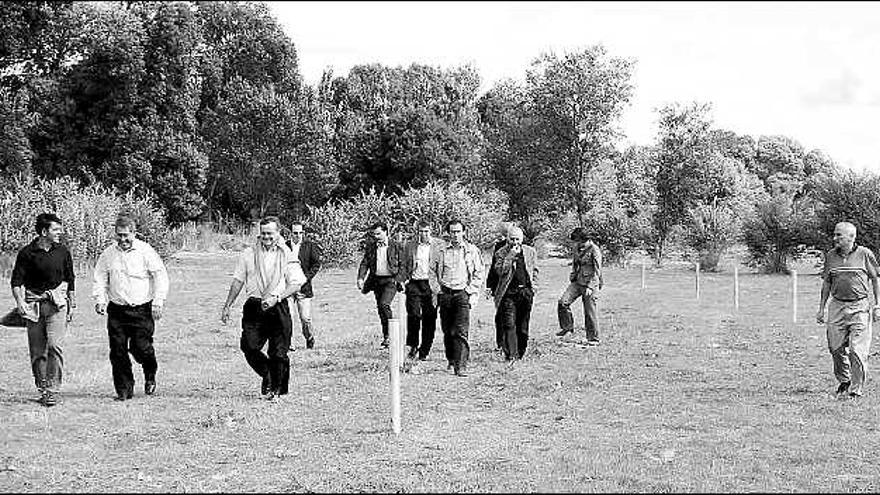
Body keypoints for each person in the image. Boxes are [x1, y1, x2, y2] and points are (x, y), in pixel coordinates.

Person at [220, 216, 305, 401]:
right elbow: (238, 281)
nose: (266, 237)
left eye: (270, 233)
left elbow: (296, 283)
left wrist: (277, 297)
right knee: (249, 346)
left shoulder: (287, 254)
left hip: (278, 305)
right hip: (254, 306)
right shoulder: (248, 254)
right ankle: (267, 373)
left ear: (278, 233)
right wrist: (227, 305)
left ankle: (277, 389)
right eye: (263, 233)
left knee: (278, 352)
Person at [93, 215, 170, 401]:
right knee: (117, 351)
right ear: (115, 234)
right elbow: (100, 278)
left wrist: (158, 301)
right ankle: (124, 390)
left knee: (141, 348)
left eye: (126, 235)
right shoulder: (108, 254)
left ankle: (150, 373)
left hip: (142, 310)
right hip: (117, 311)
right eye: (119, 235)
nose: (123, 239)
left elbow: (160, 276)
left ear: (134, 233)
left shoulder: (145, 251)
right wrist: (100, 300)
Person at [10, 213, 76, 407]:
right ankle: (43, 388)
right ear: (44, 231)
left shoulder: (63, 251)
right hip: (34, 306)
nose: (60, 233)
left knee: (55, 345)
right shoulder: (27, 253)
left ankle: (53, 389)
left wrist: (72, 304)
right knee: (38, 351)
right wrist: (20, 302)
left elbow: (70, 279)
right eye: (56, 229)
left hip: (57, 304)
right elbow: (16, 281)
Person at [815, 221, 880, 400]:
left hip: (860, 306)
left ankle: (856, 390)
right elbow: (827, 282)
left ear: (851, 237)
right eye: (835, 234)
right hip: (837, 306)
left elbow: (875, 279)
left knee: (857, 351)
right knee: (835, 348)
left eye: (839, 235)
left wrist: (877, 305)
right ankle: (845, 380)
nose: (834, 238)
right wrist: (821, 308)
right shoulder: (830, 256)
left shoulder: (865, 254)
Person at [428, 219, 484, 377]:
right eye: (452, 231)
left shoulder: (471, 250)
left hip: (462, 294)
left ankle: (461, 365)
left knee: (461, 331)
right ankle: (451, 359)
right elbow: (431, 271)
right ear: (448, 233)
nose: (455, 235)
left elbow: (479, 272)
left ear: (464, 232)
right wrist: (437, 290)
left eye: (458, 231)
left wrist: (469, 291)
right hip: (445, 293)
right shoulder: (440, 250)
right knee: (448, 330)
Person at [489, 226, 538, 363]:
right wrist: (510, 256)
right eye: (512, 239)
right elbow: (500, 271)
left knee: (523, 327)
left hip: (525, 293)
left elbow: (535, 270)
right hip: (508, 293)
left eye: (517, 239)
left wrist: (534, 287)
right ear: (507, 239)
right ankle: (511, 355)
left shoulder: (530, 252)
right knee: (509, 325)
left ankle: (520, 352)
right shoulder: (500, 253)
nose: (515, 242)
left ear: (522, 239)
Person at [357, 222, 404, 349]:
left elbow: (403, 264)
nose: (376, 236)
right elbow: (364, 263)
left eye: (379, 233)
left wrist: (399, 279)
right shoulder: (371, 247)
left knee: (384, 304)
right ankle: (387, 337)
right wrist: (361, 278)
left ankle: (392, 334)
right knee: (381, 309)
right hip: (376, 281)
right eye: (374, 234)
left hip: (391, 281)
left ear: (386, 232)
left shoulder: (396, 245)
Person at [400, 221, 439, 374]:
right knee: (414, 314)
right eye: (421, 231)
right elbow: (404, 264)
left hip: (431, 284)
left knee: (430, 317)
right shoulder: (409, 245)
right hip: (414, 283)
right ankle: (412, 345)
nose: (424, 234)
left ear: (431, 231)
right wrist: (403, 280)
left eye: (426, 231)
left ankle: (425, 349)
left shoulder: (438, 245)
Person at [556, 227, 603, 345]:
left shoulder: (595, 250)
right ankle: (567, 328)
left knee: (589, 311)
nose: (575, 243)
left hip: (590, 283)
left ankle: (593, 339)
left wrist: (591, 287)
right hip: (577, 281)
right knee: (563, 302)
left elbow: (597, 271)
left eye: (577, 240)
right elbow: (576, 263)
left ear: (584, 239)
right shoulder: (577, 248)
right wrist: (573, 275)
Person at [285, 221, 322, 350]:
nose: (298, 235)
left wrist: (306, 278)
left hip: (303, 288)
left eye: (301, 233)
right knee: (288, 317)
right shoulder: (284, 247)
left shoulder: (310, 246)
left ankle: (309, 337)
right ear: (290, 233)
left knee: (305, 318)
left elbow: (316, 264)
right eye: (295, 233)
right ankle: (290, 344)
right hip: (287, 288)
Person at [486, 222, 511, 354]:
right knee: (500, 315)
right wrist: (489, 285)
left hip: (514, 287)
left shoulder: (523, 247)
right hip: (499, 286)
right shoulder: (499, 247)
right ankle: (500, 343)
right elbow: (493, 267)